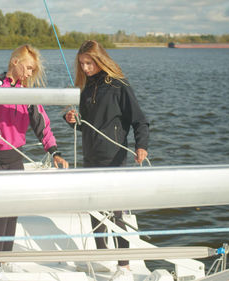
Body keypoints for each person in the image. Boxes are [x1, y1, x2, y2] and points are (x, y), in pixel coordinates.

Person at [0, 44, 69, 279]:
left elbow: (41, 124)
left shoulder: (26, 95)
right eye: (28, 68)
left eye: (33, 70)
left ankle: (6, 260)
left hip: (14, 158)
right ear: (15, 62)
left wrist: (54, 151)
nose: (30, 73)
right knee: (1, 211)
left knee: (13, 212)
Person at [64, 40, 149, 281]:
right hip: (90, 155)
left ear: (100, 60)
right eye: (82, 64)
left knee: (116, 212)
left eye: (89, 63)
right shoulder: (86, 86)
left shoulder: (118, 85)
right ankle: (102, 254)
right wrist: (71, 119)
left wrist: (141, 145)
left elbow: (139, 120)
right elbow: (87, 126)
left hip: (114, 157)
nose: (86, 67)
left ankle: (124, 264)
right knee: (95, 208)